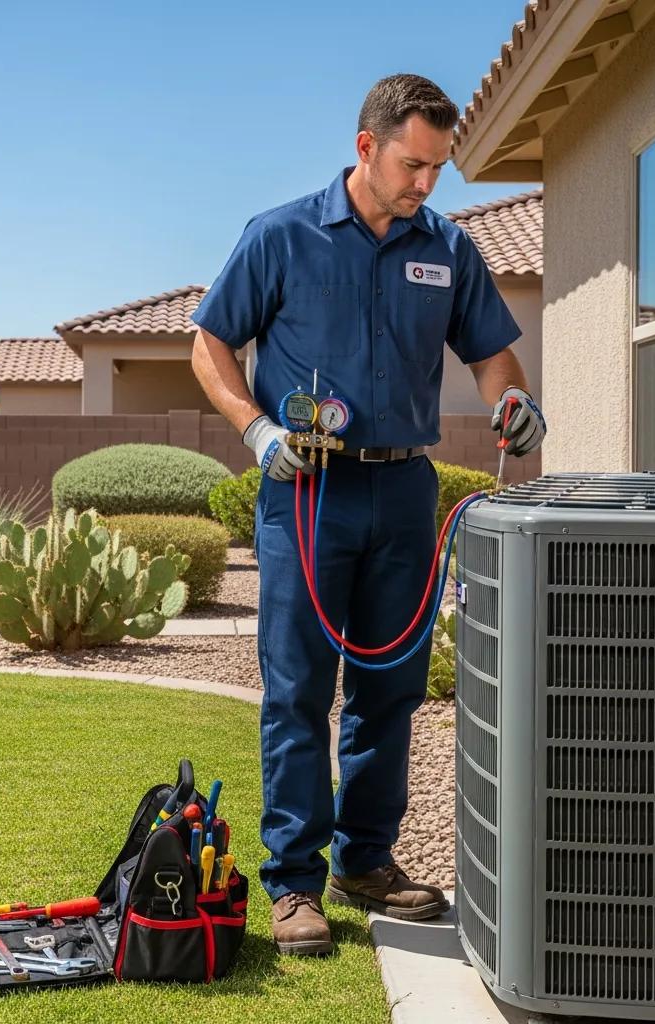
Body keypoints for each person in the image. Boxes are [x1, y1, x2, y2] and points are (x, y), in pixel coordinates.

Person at [190, 73, 546, 956]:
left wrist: (513, 403)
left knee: (391, 689)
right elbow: (209, 344)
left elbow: (493, 358)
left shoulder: (448, 249)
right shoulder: (281, 236)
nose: (426, 183)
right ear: (366, 146)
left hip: (403, 491)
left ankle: (365, 861)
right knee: (299, 689)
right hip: (307, 488)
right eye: (412, 165)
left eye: (438, 169)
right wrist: (257, 429)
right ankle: (293, 883)